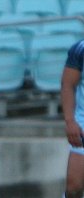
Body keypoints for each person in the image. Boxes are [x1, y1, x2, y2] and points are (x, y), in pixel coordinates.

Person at [61, 40, 84, 198]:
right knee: (74, 187)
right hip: (83, 121)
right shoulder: (80, 49)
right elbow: (68, 84)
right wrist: (70, 121)